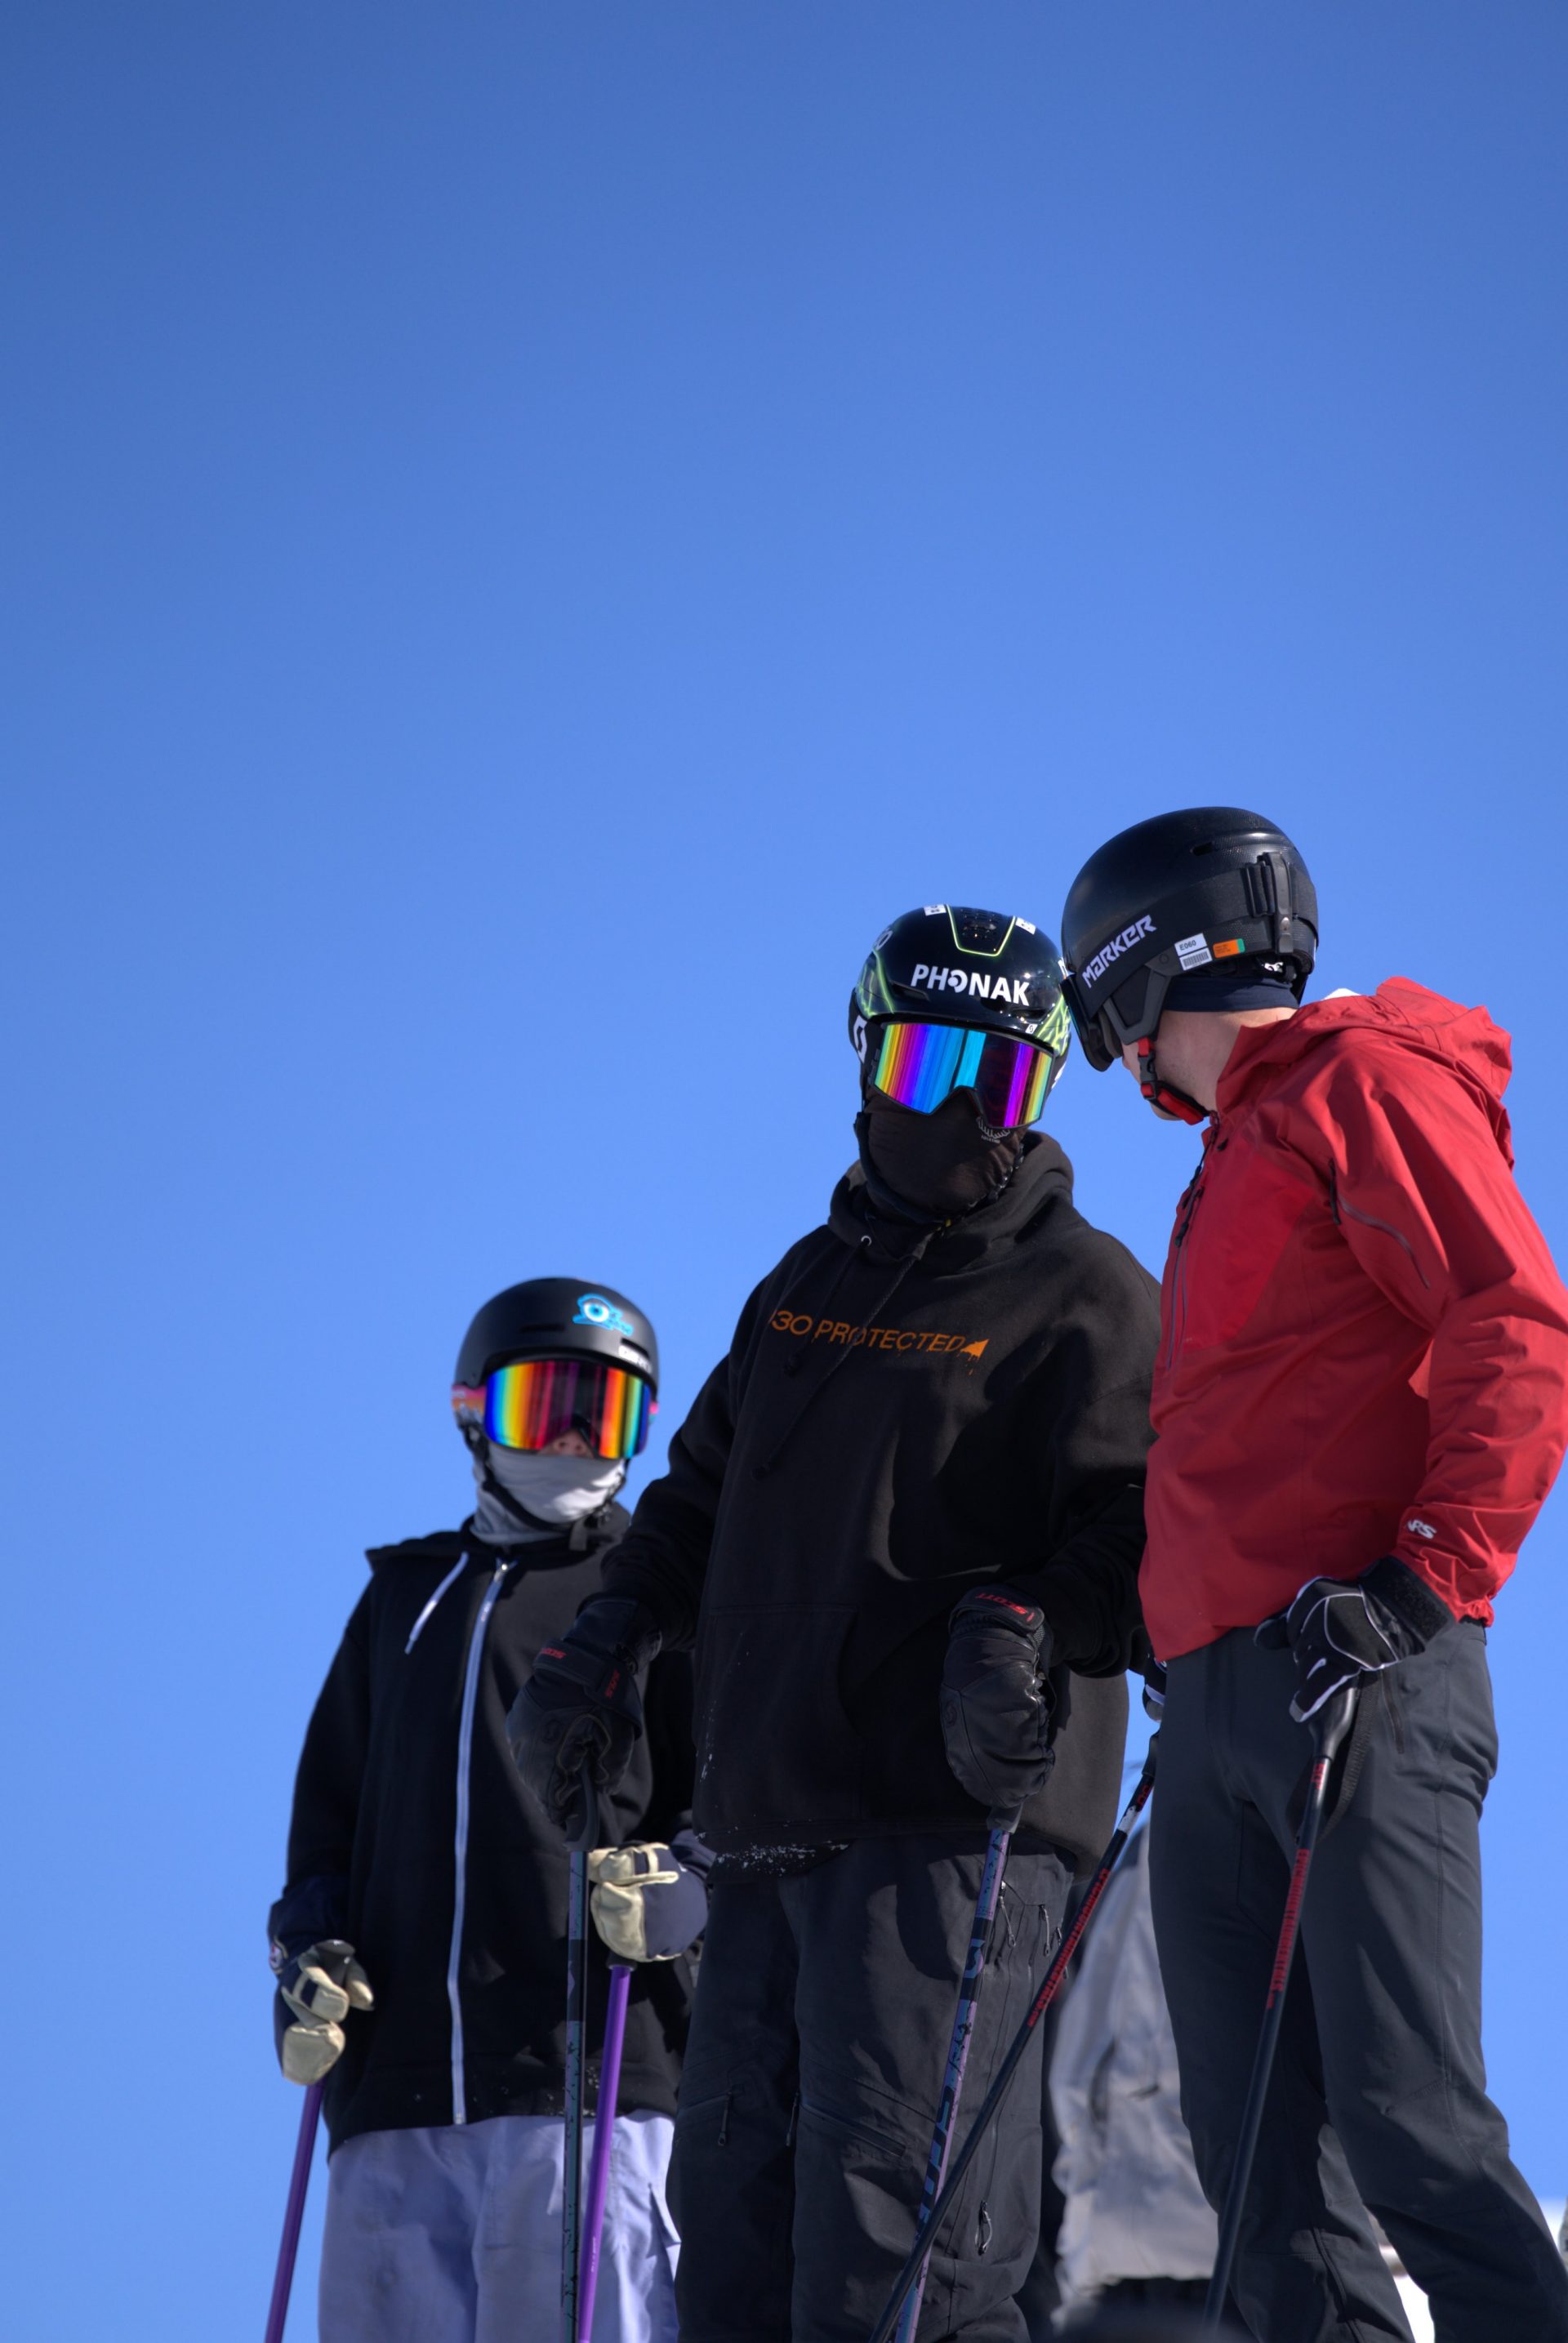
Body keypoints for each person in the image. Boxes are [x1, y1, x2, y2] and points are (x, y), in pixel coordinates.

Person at [511, 905, 1162, 2341]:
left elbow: (1142, 1532)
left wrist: (1027, 1625)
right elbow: (696, 1496)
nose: (953, 1112)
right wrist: (606, 1635)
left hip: (952, 1836)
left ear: (1042, 1092)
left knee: (904, 2261)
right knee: (736, 2260)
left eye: (996, 1080)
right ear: (867, 1056)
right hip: (764, 1831)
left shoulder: (1089, 1298)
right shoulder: (805, 1288)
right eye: (930, 1061)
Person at [1059, 808, 1568, 2341]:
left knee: (1409, 2121)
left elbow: (1515, 1321)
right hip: (1217, 1708)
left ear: (1139, 976)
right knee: (1259, 2185)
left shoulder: (1363, 1084)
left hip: (1361, 1673)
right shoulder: (1236, 1152)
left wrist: (1424, 1583)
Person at [268, 1278, 707, 2343]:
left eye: (602, 1413)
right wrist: (310, 1953)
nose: (568, 1439)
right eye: (543, 1403)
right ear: (475, 1412)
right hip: (394, 2100)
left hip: (584, 2079)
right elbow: (329, 1820)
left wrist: (689, 1891)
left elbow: (728, 1798)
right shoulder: (404, 1599)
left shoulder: (654, 1591)